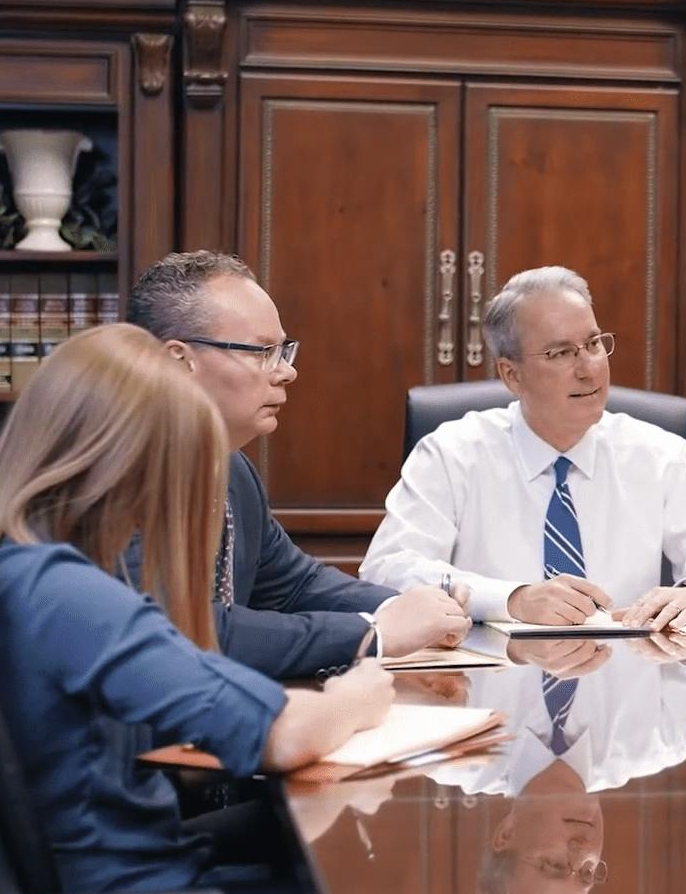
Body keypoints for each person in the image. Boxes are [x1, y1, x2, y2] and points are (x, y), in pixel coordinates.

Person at [0, 324, 396, 894]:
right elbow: (286, 735)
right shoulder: (66, 596)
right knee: (369, 879)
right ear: (133, 465)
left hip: (102, 869)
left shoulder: (4, 562)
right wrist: (357, 698)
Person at [360, 265, 686, 631]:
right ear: (512, 375)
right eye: (560, 353)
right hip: (487, 691)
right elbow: (387, 569)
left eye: (594, 344)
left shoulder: (657, 454)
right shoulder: (451, 454)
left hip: (627, 691)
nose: (588, 368)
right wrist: (513, 600)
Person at [128, 250, 469, 679]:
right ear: (179, 361)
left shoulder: (232, 470)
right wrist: (374, 632)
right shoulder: (122, 475)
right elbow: (193, 631)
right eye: (261, 352)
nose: (286, 373)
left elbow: (294, 585)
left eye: (283, 350)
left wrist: (404, 608)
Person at [422, 637, 686, 894]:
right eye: (588, 872)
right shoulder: (651, 744)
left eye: (555, 864)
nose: (582, 851)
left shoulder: (454, 747)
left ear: (505, 834)